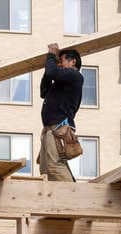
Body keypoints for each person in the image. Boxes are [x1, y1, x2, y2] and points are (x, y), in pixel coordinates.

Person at [39, 43, 84, 182]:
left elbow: (52, 72)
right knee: (45, 169)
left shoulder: (75, 76)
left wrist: (52, 55)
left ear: (73, 62)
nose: (59, 64)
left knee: (54, 166)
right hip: (50, 129)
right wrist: (50, 67)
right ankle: (58, 200)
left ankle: (73, 197)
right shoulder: (61, 83)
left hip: (59, 128)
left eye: (62, 61)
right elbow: (43, 91)